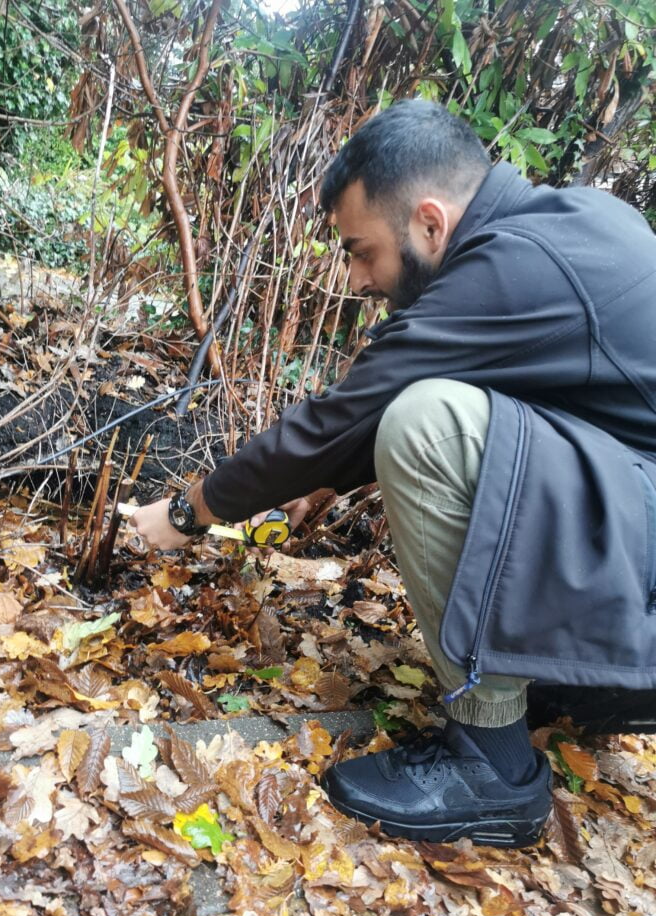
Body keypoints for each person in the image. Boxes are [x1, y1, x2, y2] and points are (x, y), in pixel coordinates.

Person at [129, 100, 656, 848]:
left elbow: (354, 410)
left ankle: (492, 766)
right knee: (436, 411)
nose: (355, 278)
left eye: (361, 250)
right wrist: (323, 480)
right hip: (636, 508)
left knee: (425, 423)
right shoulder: (573, 225)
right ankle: (587, 683)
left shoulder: (515, 268)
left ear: (431, 224)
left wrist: (190, 512)